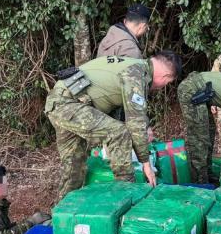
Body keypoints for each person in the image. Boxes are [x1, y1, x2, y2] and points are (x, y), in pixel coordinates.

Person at [45, 51, 182, 199]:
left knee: (74, 163)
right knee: (118, 133)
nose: (162, 87)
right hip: (68, 104)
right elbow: (136, 124)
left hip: (60, 103)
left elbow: (115, 103)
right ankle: (126, 194)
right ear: (166, 76)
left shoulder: (133, 65)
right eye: (167, 83)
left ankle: (64, 209)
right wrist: (146, 163)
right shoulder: (136, 74)